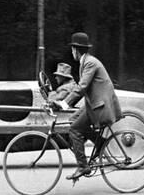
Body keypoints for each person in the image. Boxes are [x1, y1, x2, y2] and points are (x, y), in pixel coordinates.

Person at [52, 32, 122, 180]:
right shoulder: (87, 61)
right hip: (94, 103)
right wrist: (66, 103)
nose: (72, 53)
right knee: (74, 119)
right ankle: (100, 142)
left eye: (72, 50)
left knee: (74, 129)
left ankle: (83, 166)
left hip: (99, 105)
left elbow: (82, 87)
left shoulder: (89, 63)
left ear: (76, 50)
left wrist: (64, 103)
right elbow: (82, 87)